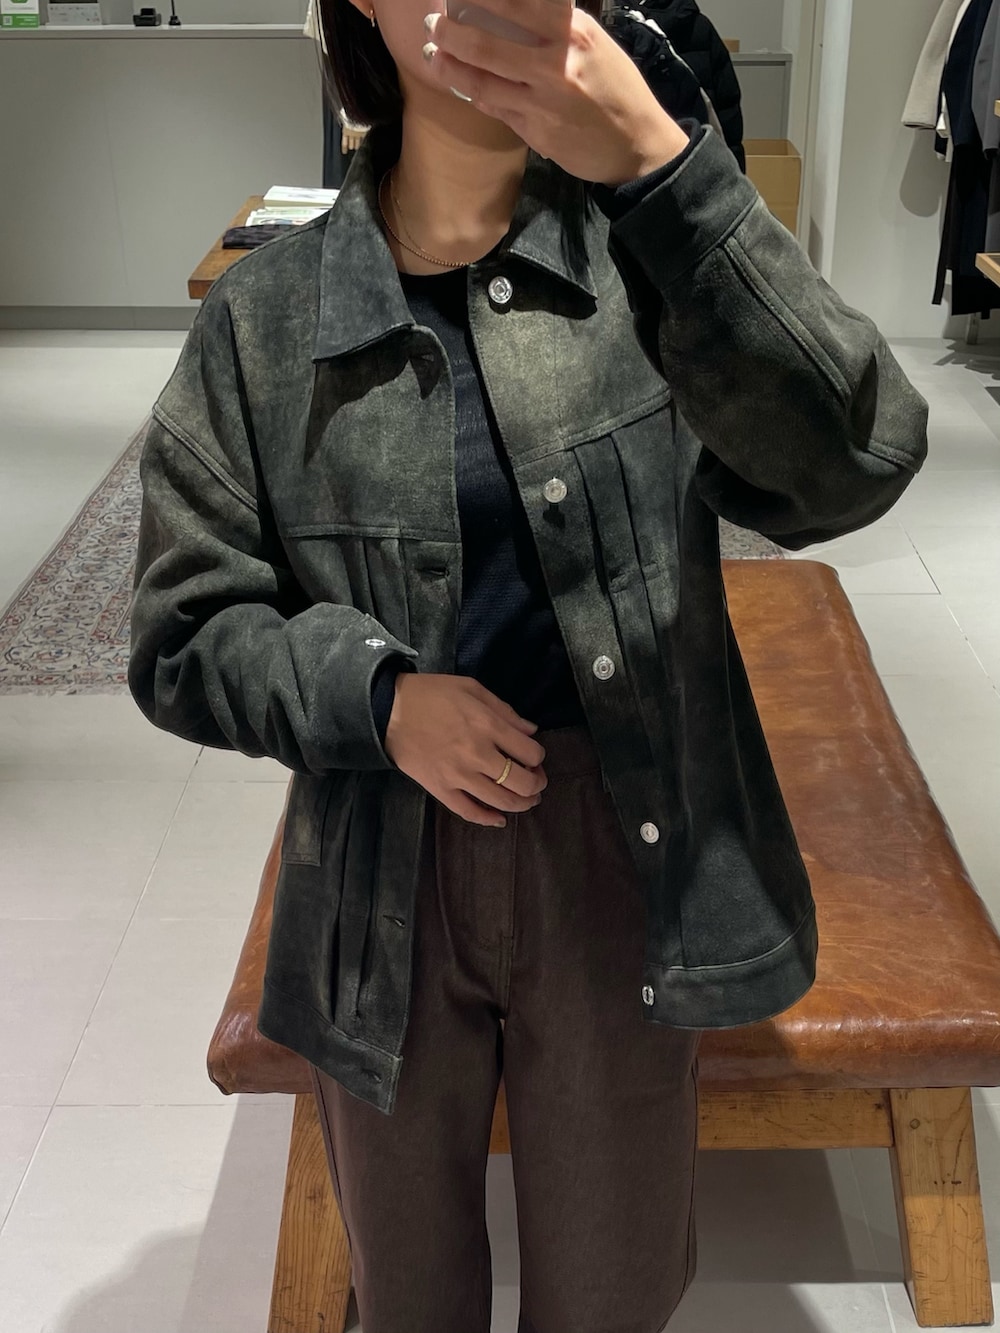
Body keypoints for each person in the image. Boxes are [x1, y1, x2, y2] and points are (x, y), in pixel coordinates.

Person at [128, 0, 929, 1327]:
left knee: (612, 1284)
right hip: (380, 864)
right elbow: (182, 627)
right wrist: (378, 697)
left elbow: (856, 460)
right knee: (408, 1290)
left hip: (623, 848)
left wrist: (668, 174)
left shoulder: (649, 263)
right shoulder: (268, 319)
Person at [636, 0, 746, 168]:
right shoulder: (700, 28)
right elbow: (727, 111)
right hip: (698, 164)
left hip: (632, 168)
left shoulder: (609, 31)